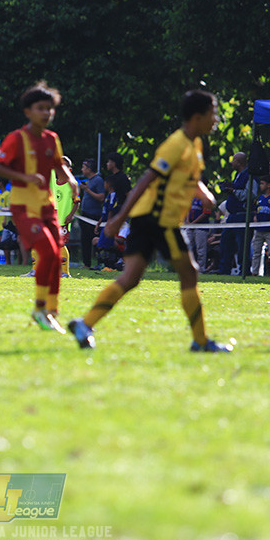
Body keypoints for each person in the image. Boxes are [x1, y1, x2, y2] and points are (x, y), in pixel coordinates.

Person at [68, 89, 232, 353]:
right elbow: (147, 180)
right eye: (213, 113)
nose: (216, 119)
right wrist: (118, 218)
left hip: (149, 219)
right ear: (197, 116)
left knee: (130, 278)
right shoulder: (177, 143)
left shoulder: (194, 144)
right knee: (189, 272)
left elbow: (190, 178)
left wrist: (205, 194)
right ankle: (201, 342)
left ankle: (84, 324)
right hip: (159, 219)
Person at [0, 80, 78, 332]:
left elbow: (59, 164)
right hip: (24, 207)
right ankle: (41, 310)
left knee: (56, 255)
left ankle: (50, 312)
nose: (46, 113)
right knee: (49, 254)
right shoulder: (17, 138)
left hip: (48, 207)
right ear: (28, 111)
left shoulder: (52, 138)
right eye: (40, 108)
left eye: (49, 108)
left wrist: (71, 180)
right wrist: (25, 177)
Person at [217, 151, 256, 275]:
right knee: (225, 242)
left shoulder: (250, 175)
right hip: (232, 217)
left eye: (233, 160)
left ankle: (244, 270)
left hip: (242, 216)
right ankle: (224, 269)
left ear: (239, 162)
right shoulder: (237, 175)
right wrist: (230, 187)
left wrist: (233, 191)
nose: (231, 162)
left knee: (242, 245)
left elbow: (250, 194)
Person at [53, 155, 80, 277]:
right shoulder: (53, 183)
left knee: (61, 244)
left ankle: (65, 272)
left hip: (64, 220)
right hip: (53, 219)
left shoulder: (72, 184)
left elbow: (77, 202)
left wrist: (70, 215)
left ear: (69, 169)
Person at [77, 158, 105, 269]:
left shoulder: (98, 180)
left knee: (95, 240)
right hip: (85, 215)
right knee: (85, 240)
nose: (82, 169)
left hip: (94, 216)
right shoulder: (89, 181)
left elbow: (101, 197)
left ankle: (100, 263)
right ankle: (86, 264)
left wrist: (87, 190)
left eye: (83, 167)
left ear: (89, 169)